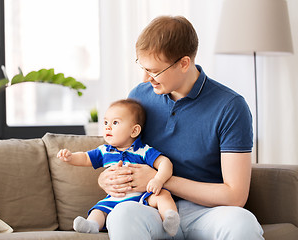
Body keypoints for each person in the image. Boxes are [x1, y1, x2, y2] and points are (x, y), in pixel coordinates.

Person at [98, 16, 264, 239]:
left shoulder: (230, 107)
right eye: (143, 67)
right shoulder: (139, 96)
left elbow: (235, 196)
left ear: (184, 63)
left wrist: (159, 178)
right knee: (121, 214)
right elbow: (119, 153)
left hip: (206, 213)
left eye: (154, 71)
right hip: (152, 208)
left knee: (242, 222)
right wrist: (106, 180)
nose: (147, 78)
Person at [57, 99, 180, 236]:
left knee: (163, 195)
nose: (108, 127)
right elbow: (85, 157)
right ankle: (92, 225)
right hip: (115, 197)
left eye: (115, 122)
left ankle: (170, 218)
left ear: (134, 131)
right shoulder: (105, 151)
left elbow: (165, 163)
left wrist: (158, 180)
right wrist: (70, 157)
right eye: (105, 123)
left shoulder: (143, 150)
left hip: (144, 197)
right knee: (98, 210)